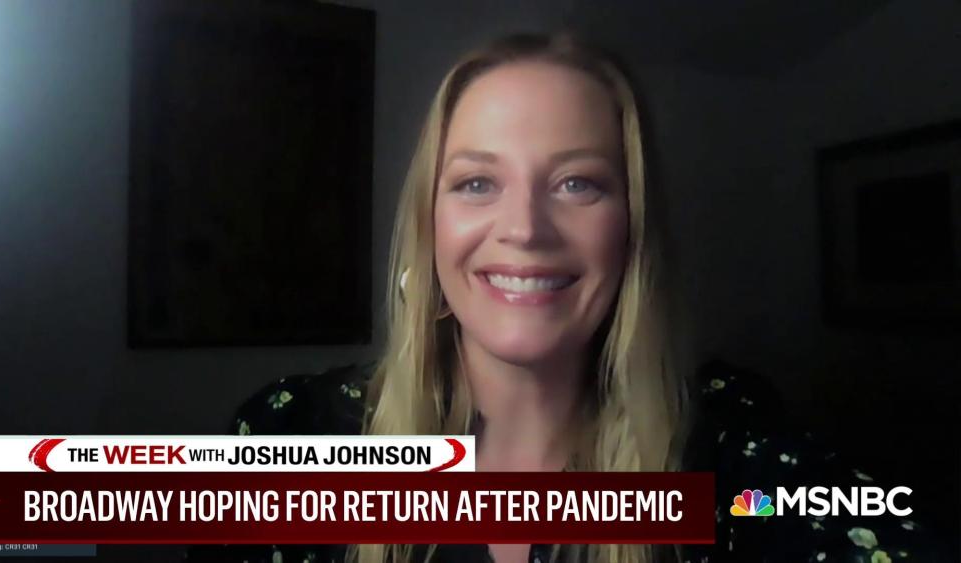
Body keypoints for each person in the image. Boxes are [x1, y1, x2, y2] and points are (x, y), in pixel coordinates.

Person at [188, 33, 947, 563]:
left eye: (577, 182)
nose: (524, 228)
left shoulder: (731, 471)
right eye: (476, 182)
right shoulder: (290, 448)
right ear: (429, 226)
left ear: (632, 228)